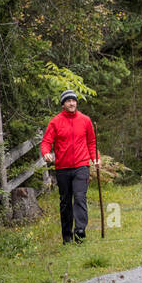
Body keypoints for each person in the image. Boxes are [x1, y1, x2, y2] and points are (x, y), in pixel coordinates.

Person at [40, 90, 98, 244]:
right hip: (63, 168)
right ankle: (67, 237)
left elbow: (91, 142)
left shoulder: (85, 120)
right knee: (65, 202)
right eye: (68, 101)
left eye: (74, 100)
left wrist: (95, 158)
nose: (72, 103)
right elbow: (46, 142)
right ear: (63, 104)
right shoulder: (55, 122)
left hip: (81, 166)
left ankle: (80, 231)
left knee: (79, 197)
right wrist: (46, 153)